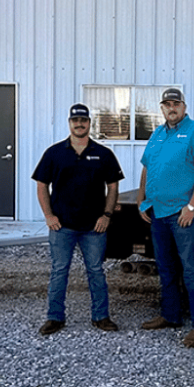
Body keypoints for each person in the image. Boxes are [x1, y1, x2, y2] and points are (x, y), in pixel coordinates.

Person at [137, 88, 194, 348]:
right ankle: (171, 315)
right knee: (166, 268)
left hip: (184, 216)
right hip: (158, 214)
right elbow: (147, 168)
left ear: (184, 107)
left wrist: (193, 207)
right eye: (167, 104)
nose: (171, 108)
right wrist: (142, 200)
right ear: (161, 108)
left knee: (192, 270)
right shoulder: (158, 134)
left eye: (176, 103)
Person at [32, 103, 125, 336]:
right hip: (62, 226)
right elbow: (41, 185)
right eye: (75, 121)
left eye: (83, 120)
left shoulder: (103, 154)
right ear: (69, 123)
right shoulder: (54, 153)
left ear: (89, 123)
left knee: (96, 271)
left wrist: (106, 215)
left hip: (94, 227)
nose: (79, 124)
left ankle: (101, 316)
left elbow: (113, 186)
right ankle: (55, 318)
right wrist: (49, 216)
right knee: (59, 271)